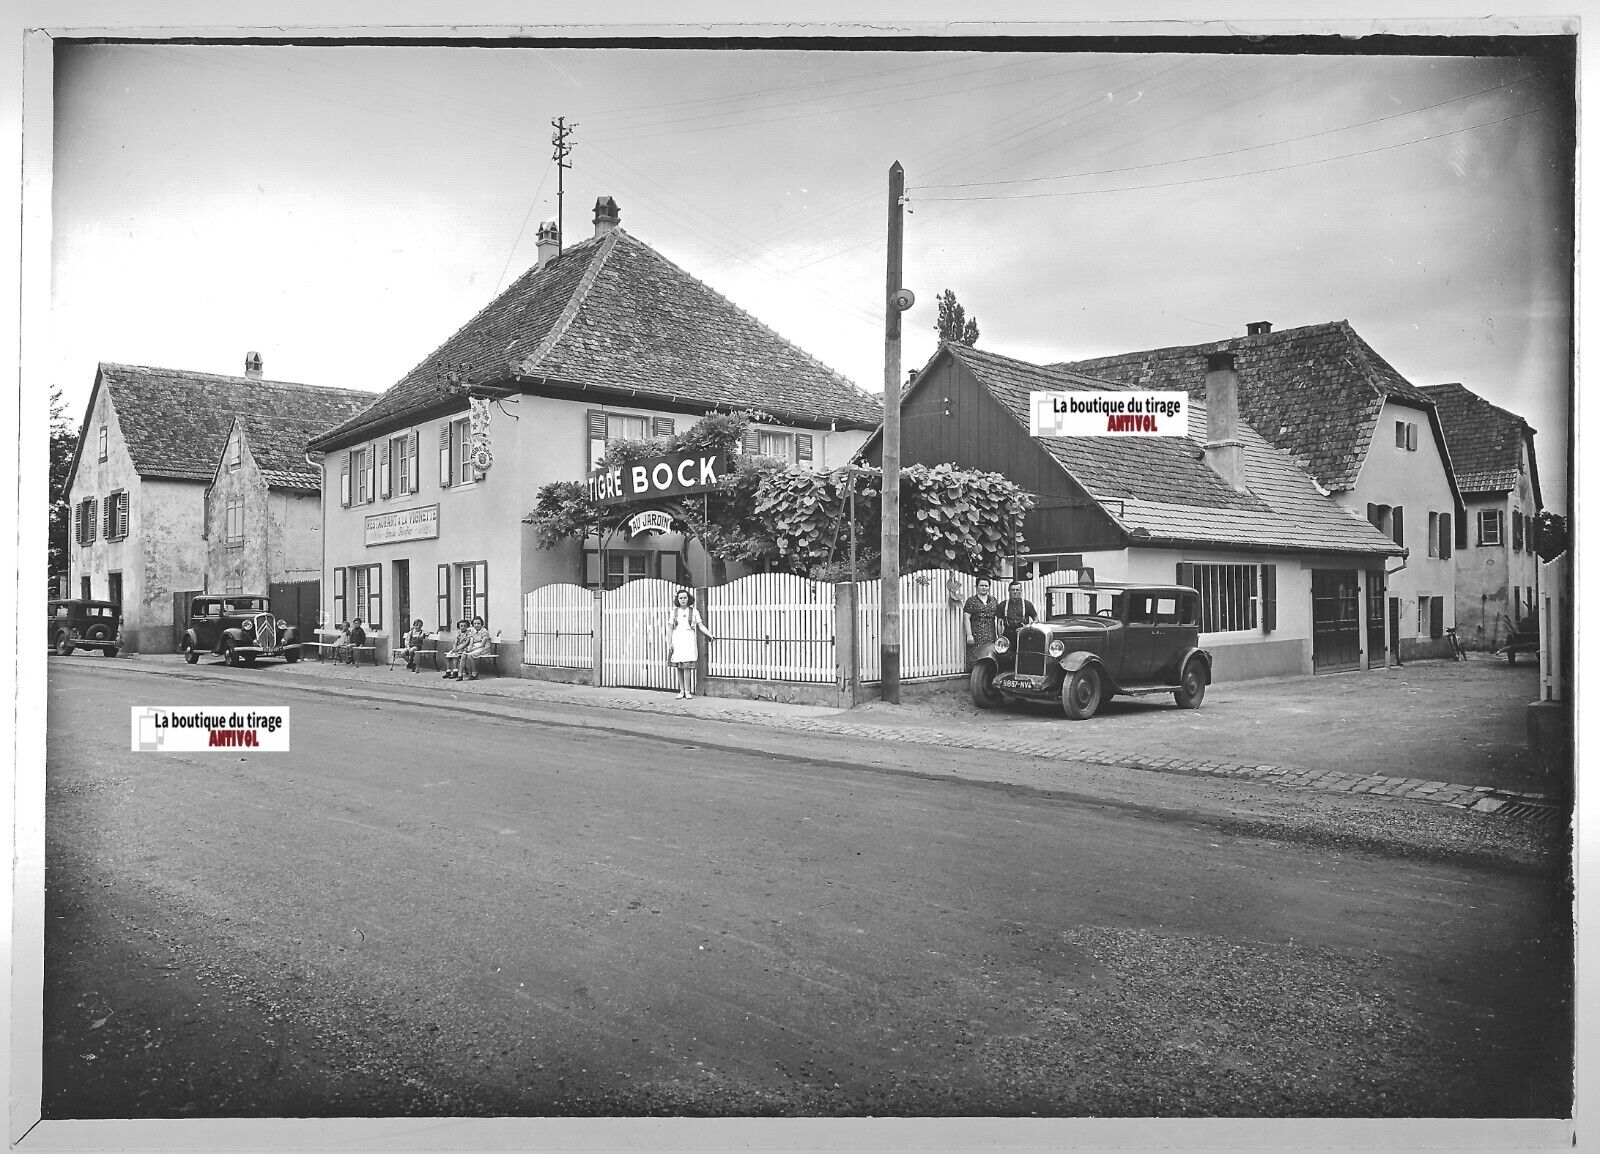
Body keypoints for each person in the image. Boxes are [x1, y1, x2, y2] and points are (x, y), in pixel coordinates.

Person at [665, 589, 714, 699]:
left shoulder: (694, 611)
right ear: (677, 599)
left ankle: (687, 691)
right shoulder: (674, 612)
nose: (683, 600)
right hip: (677, 638)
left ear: (688, 599)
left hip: (689, 639)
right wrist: (669, 642)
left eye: (685, 598)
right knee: (678, 665)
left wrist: (709, 634)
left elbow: (700, 626)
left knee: (687, 666)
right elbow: (669, 628)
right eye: (681, 598)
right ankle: (681, 690)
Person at [961, 578, 1000, 668]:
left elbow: (998, 618)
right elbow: (966, 618)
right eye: (981, 585)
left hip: (990, 634)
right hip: (976, 634)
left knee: (989, 658)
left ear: (989, 587)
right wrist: (969, 635)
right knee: (976, 659)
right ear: (977, 587)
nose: (984, 588)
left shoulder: (993, 600)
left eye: (986, 586)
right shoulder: (971, 601)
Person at [998, 580, 1038, 647]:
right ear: (1009, 591)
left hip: (1024, 634)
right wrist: (1000, 638)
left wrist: (1026, 627)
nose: (1015, 592)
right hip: (1008, 635)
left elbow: (1036, 620)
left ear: (1021, 591)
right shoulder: (1002, 605)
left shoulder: (1027, 604)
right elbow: (999, 623)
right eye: (1013, 590)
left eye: (1017, 590)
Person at [459, 616, 493, 681]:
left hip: (483, 648)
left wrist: (472, 649)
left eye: (478, 623)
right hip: (475, 647)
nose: (476, 625)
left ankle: (474, 673)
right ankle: (460, 674)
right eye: (475, 624)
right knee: (464, 654)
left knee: (470, 655)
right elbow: (471, 641)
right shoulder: (473, 631)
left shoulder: (484, 631)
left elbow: (482, 644)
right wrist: (470, 648)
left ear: (481, 624)